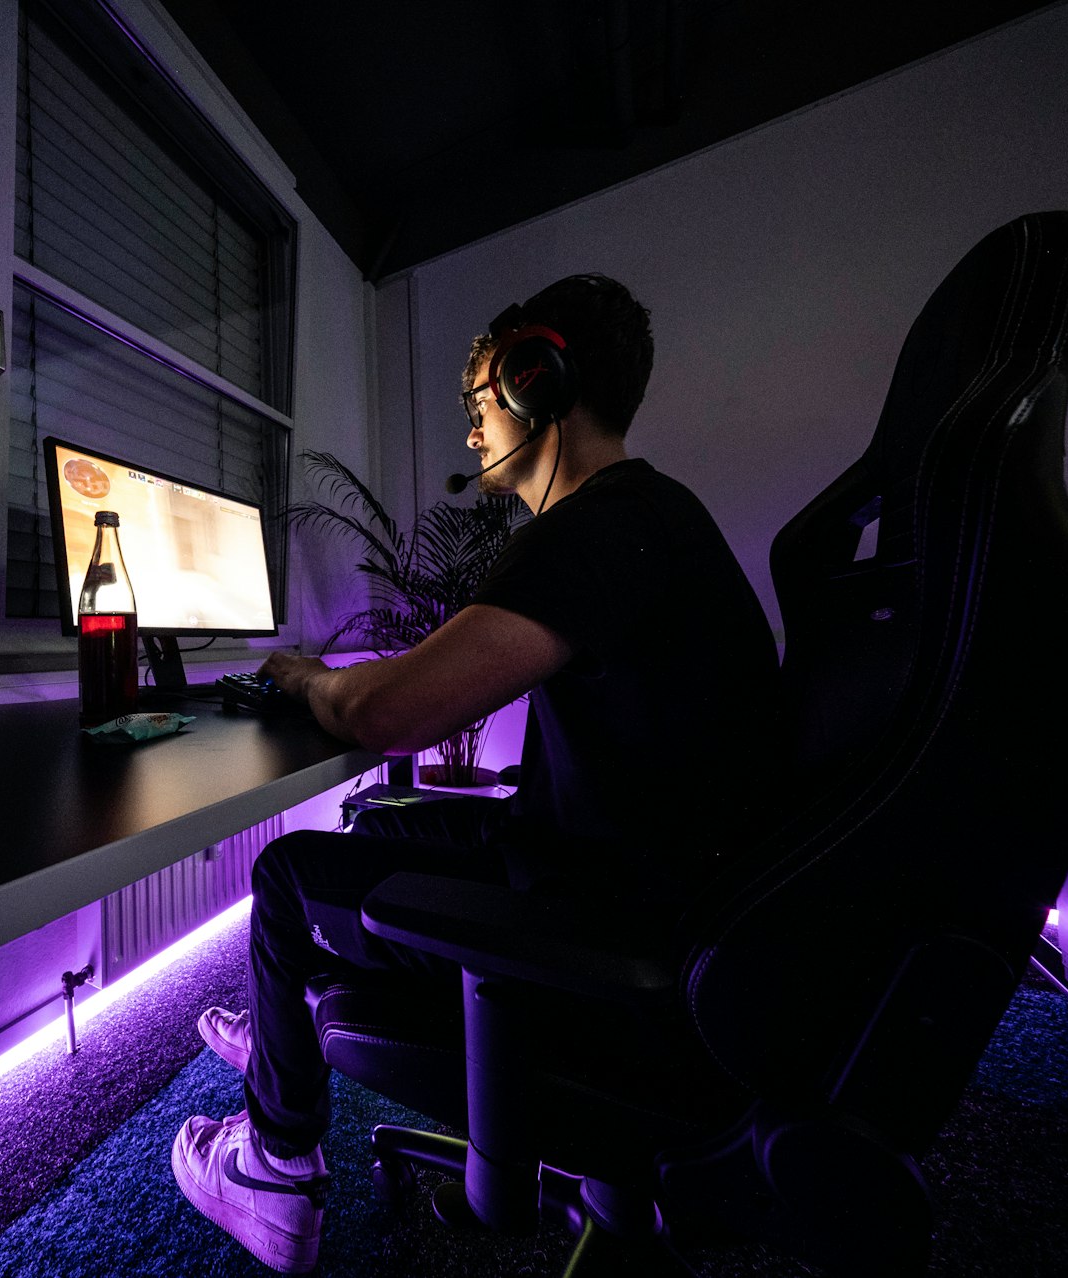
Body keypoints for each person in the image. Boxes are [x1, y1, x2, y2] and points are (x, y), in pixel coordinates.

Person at [169, 273, 778, 1273]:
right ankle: (291, 1046)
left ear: (541, 383)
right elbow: (440, 682)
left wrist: (305, 676)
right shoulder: (654, 517)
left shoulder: (594, 528)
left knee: (285, 878)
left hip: (603, 930)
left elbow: (394, 712)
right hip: (647, 886)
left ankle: (274, 1173)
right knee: (374, 830)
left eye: (482, 402)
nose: (472, 433)